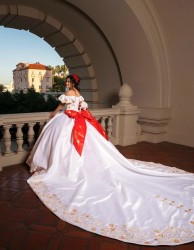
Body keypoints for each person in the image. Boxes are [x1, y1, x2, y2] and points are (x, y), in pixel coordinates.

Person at [26, 73, 194, 246]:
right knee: (86, 149)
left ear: (72, 82)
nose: (67, 83)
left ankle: (65, 169)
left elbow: (62, 106)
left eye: (68, 81)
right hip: (80, 122)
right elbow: (82, 108)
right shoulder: (78, 94)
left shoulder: (69, 93)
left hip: (70, 121)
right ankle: (78, 166)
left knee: (64, 146)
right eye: (67, 81)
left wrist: (54, 113)